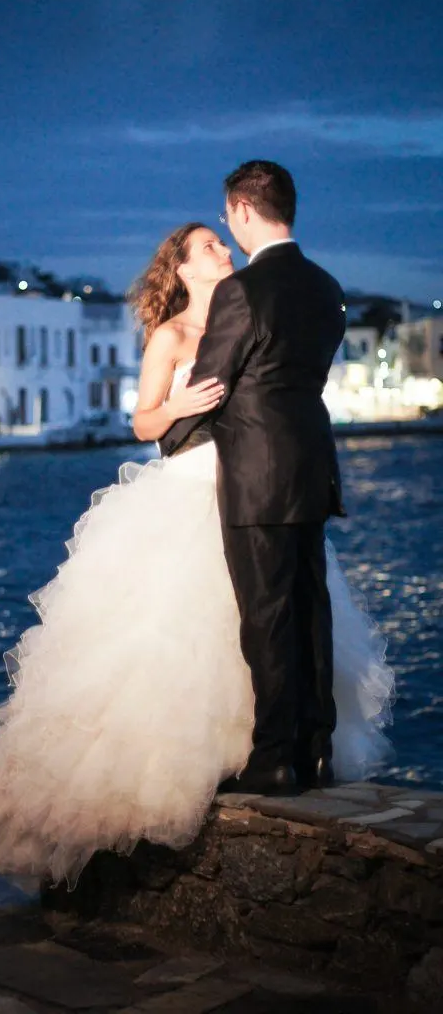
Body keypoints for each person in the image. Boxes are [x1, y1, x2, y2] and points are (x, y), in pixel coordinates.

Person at [0, 214, 393, 899]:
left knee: (272, 619)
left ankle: (278, 749)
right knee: (180, 635)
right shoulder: (171, 336)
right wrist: (178, 401)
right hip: (188, 494)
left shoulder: (255, 313)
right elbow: (143, 422)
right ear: (179, 269)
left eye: (222, 240)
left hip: (259, 492)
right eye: (208, 246)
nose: (222, 249)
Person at [158, 160, 353, 795]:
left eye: (226, 217)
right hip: (311, 464)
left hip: (256, 472)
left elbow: (212, 385)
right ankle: (317, 752)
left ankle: (272, 758)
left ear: (243, 211)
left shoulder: (244, 291)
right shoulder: (326, 287)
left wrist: (172, 441)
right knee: (309, 608)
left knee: (266, 615)